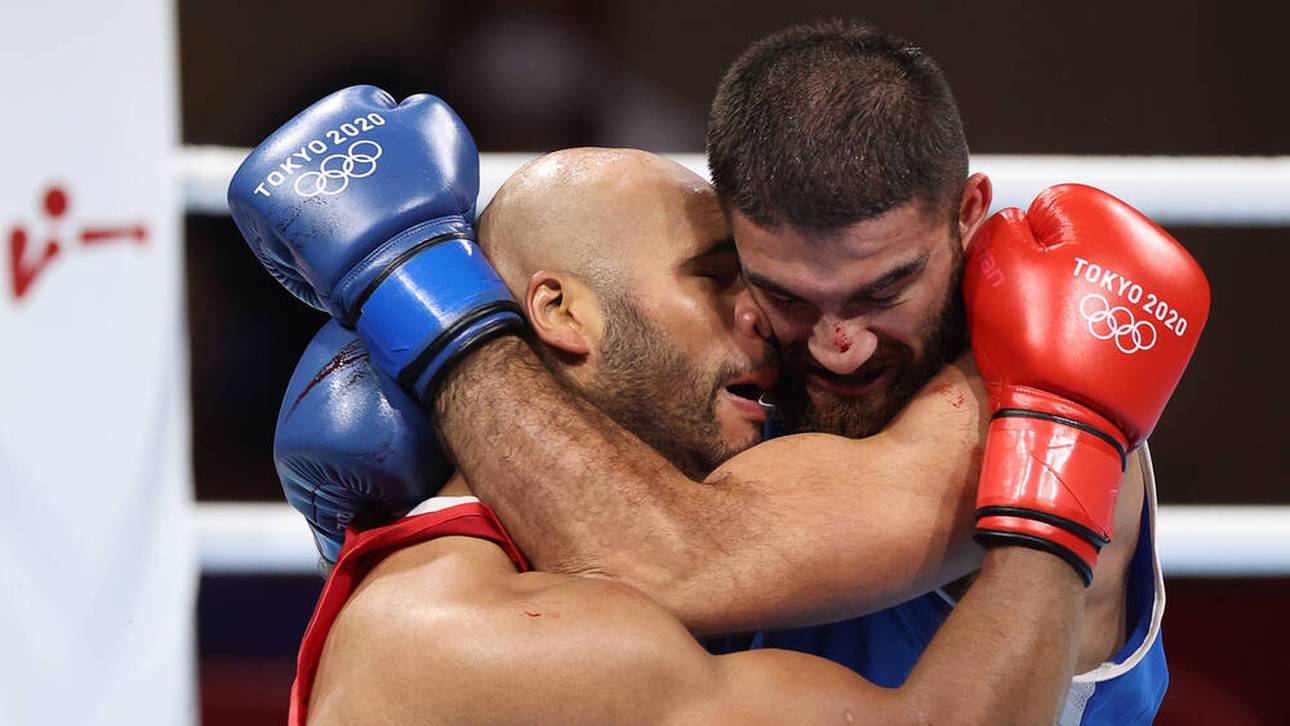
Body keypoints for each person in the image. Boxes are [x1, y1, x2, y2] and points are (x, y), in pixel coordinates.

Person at [228, 22, 1209, 726]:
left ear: (965, 215)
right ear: (559, 312)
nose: (836, 344)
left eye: (886, 289)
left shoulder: (1003, 398)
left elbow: (679, 557)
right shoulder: (455, 619)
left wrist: (419, 304)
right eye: (749, 284)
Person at [282, 148, 1092, 725]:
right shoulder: (461, 625)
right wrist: (1070, 432)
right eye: (712, 277)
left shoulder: (521, 576)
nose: (761, 317)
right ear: (562, 311)